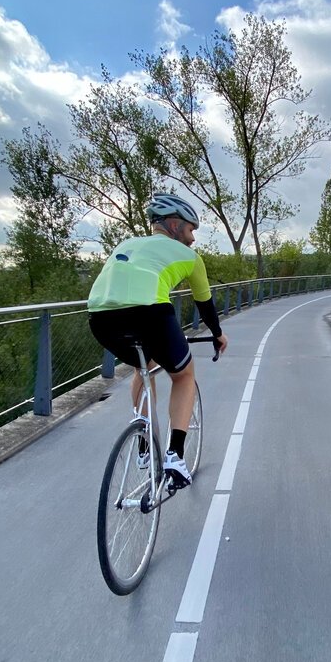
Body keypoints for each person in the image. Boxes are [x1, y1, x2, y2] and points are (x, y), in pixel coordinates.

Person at [88, 193, 228, 488]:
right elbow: (204, 303)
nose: (192, 239)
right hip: (150, 314)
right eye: (191, 229)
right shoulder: (191, 258)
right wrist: (217, 334)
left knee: (146, 367)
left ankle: (143, 443)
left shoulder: (125, 244)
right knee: (184, 375)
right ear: (175, 225)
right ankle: (175, 457)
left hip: (100, 317)